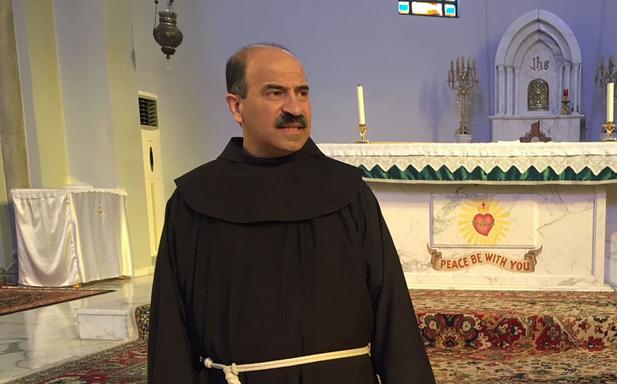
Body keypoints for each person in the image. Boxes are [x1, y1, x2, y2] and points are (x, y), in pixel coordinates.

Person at [147, 43, 435, 383]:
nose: (295, 107)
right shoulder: (195, 201)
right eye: (275, 93)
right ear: (236, 106)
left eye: (302, 92)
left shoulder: (347, 192)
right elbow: (170, 332)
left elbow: (393, 314)